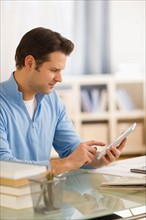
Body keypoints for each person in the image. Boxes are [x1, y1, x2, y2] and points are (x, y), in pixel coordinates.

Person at [0, 27, 126, 176]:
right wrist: (64, 164)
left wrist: (97, 160)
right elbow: (4, 166)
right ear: (29, 63)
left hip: (42, 195)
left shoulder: (52, 100)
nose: (60, 79)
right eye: (54, 70)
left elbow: (71, 150)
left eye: (61, 71)